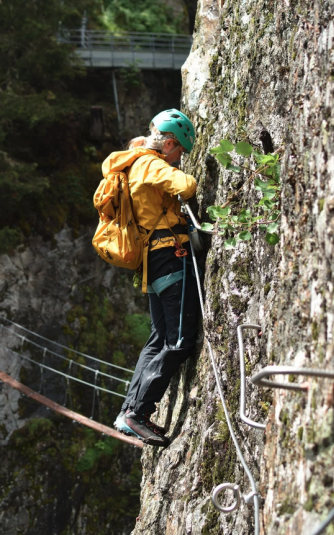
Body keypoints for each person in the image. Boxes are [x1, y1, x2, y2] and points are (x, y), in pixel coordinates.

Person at [105, 109, 200, 447]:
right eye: (180, 152)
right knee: (178, 342)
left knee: (158, 339)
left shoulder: (130, 163)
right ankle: (138, 412)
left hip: (153, 261)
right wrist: (176, 184)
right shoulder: (150, 162)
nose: (179, 158)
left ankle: (129, 411)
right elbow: (186, 185)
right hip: (171, 257)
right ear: (170, 142)